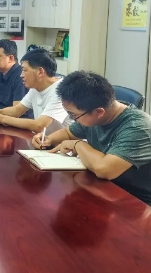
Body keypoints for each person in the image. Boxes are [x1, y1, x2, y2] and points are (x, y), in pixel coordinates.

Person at [32, 71, 151, 206]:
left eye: (73, 115)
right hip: (102, 187)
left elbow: (104, 170)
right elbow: (68, 132)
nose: (72, 119)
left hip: (135, 202)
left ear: (99, 112)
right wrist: (47, 139)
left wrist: (78, 144)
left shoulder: (138, 127)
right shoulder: (94, 115)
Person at [0, 48, 70, 132]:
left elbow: (40, 125)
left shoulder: (61, 91)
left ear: (40, 72)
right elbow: (17, 110)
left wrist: (1, 119)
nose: (21, 75)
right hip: (43, 139)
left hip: (62, 143)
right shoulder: (36, 87)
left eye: (24, 70)